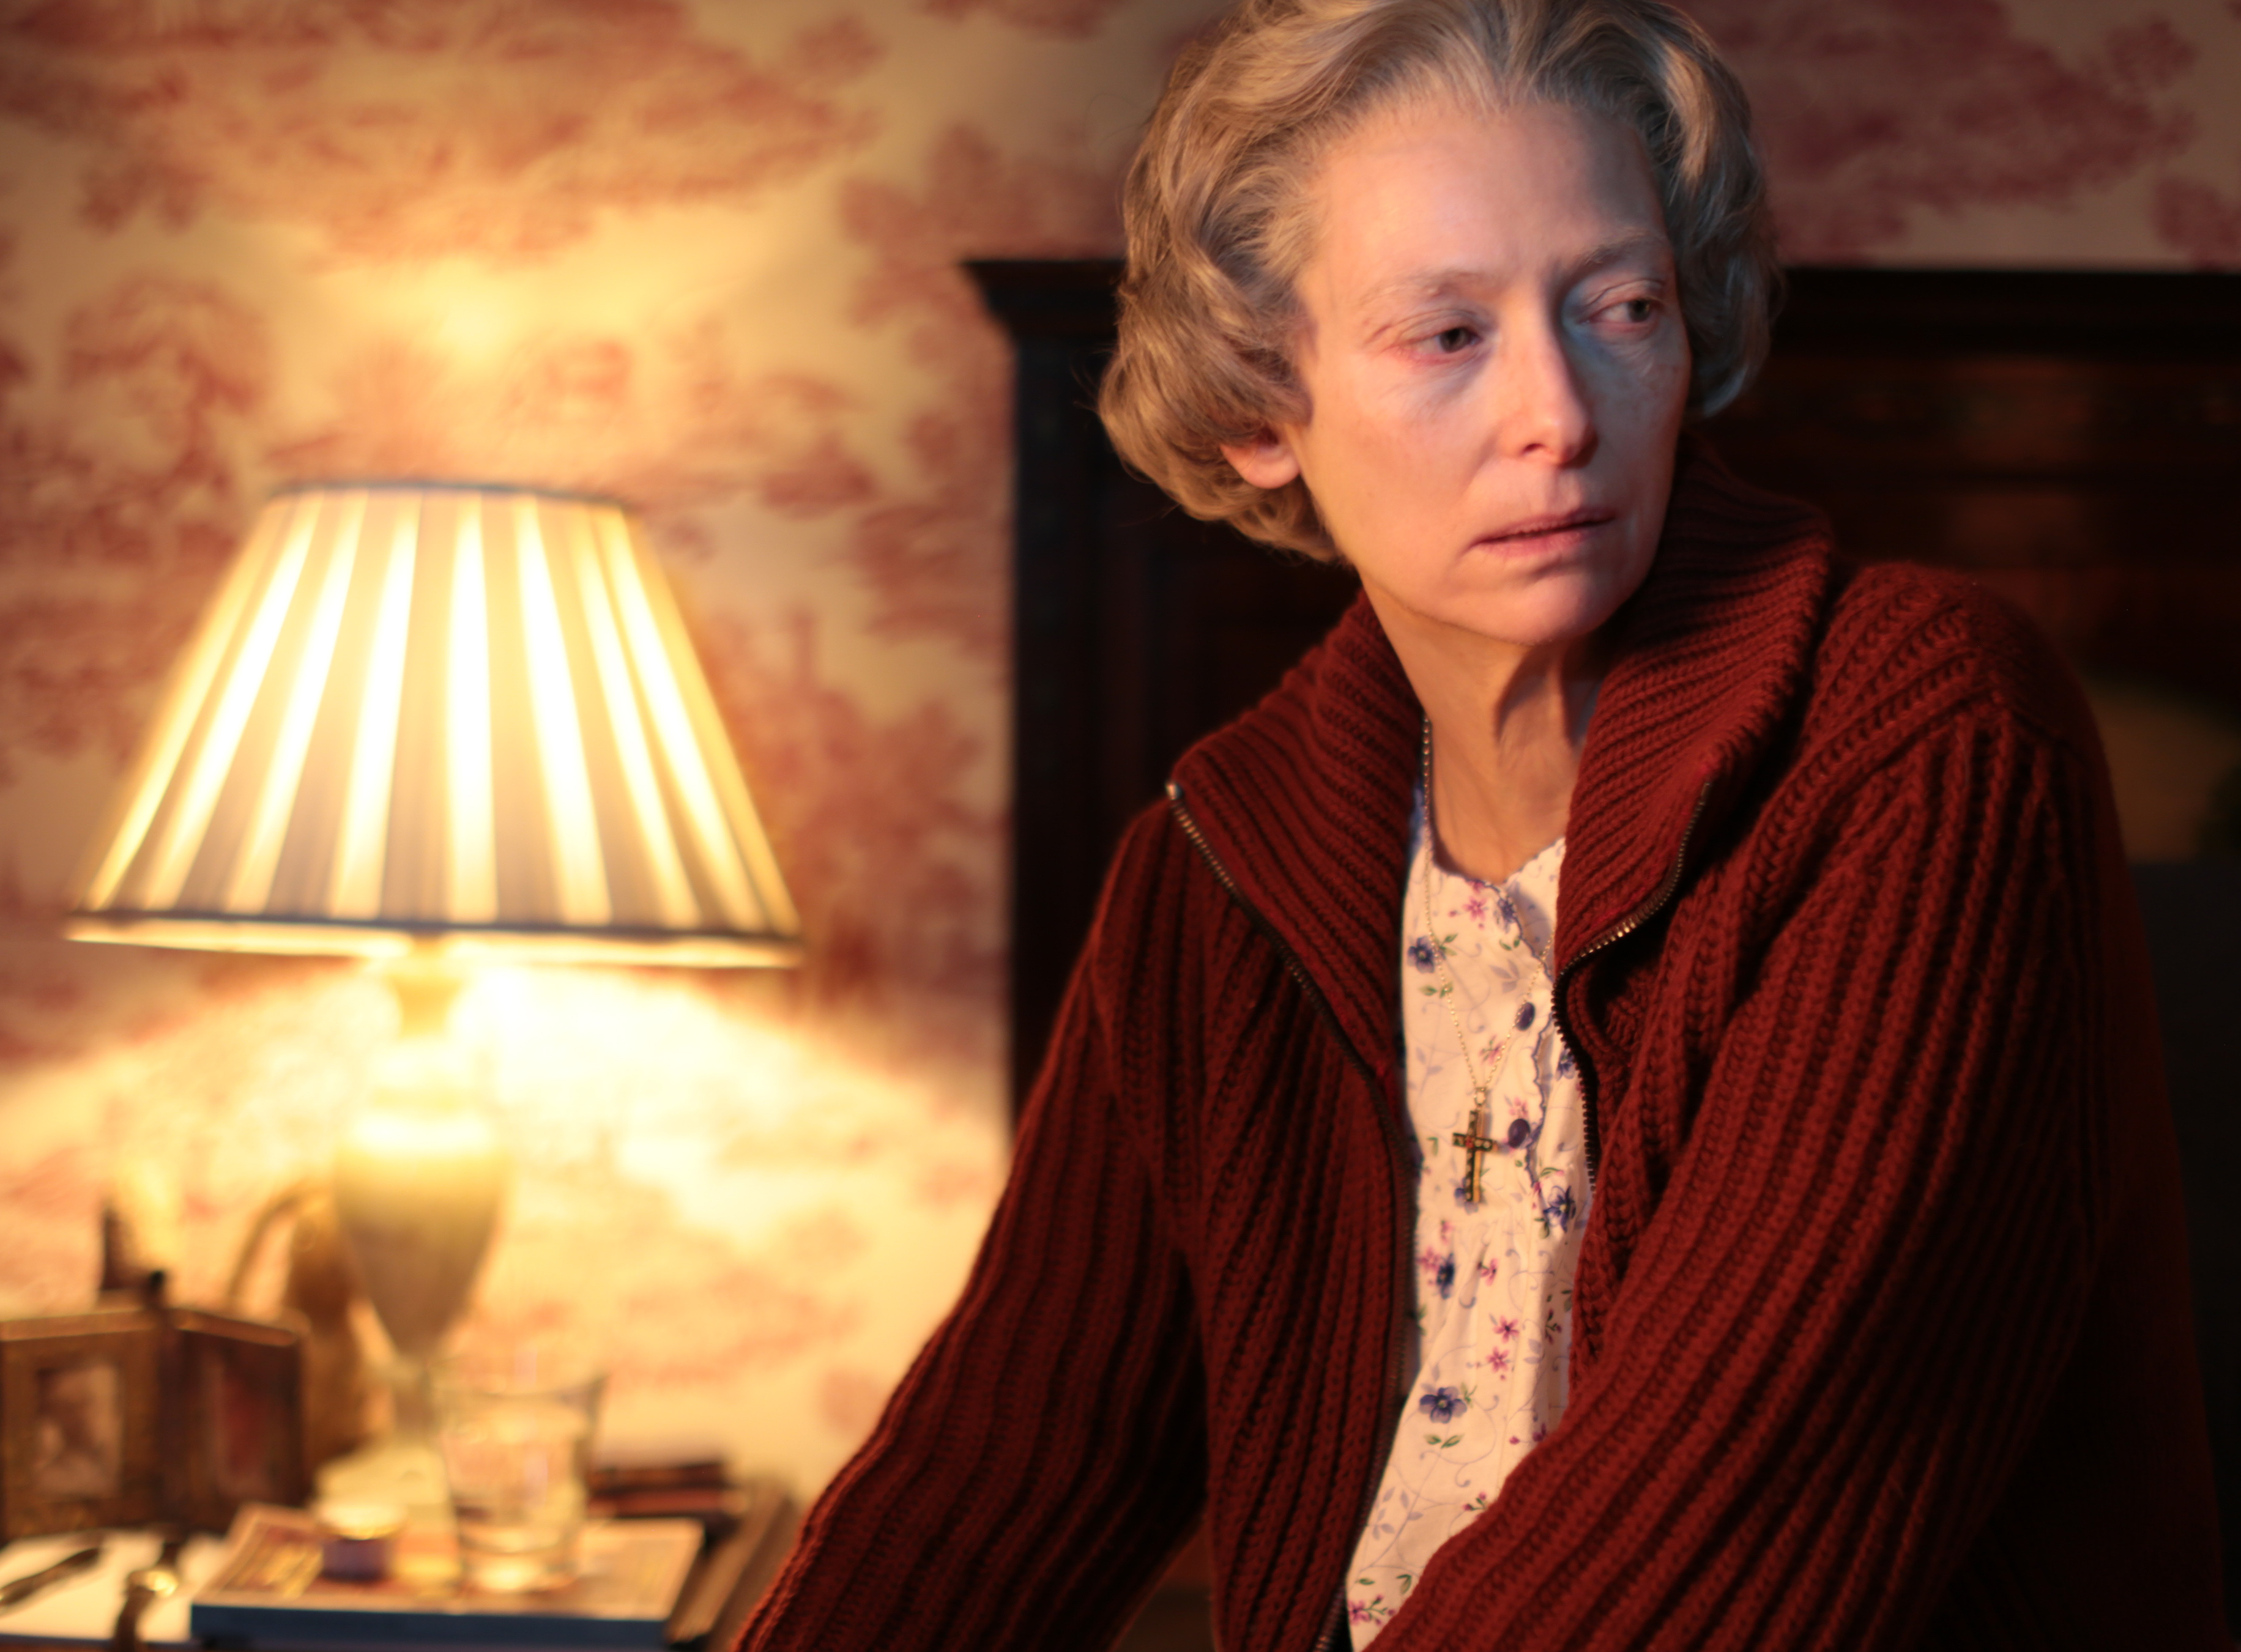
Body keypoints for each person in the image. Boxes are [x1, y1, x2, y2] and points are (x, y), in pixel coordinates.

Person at [738, 0, 2228, 1645]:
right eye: (1446, 335)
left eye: (1621, 308)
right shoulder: (1209, 872)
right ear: (1261, 408)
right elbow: (1004, 1466)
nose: (1559, 415)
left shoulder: (1923, 742)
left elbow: (1717, 1513)